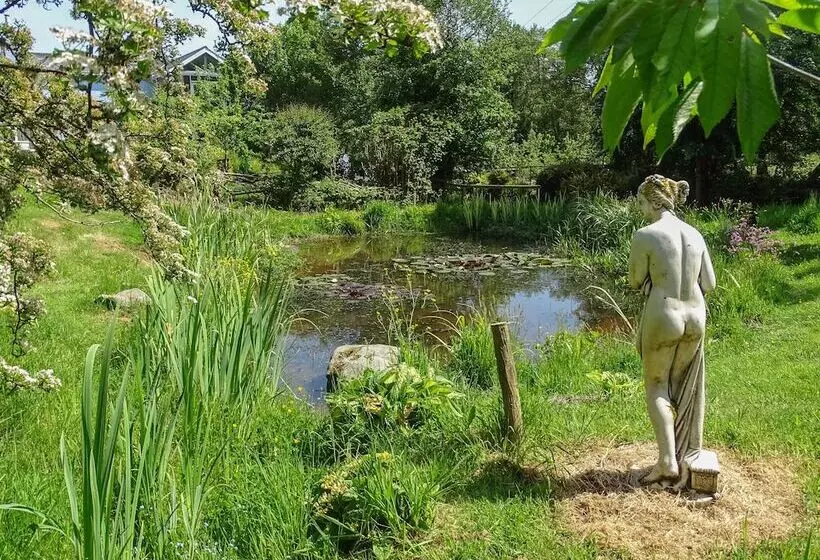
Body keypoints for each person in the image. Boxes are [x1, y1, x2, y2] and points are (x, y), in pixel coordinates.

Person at [628, 175, 717, 488]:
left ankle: (667, 462)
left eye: (640, 202)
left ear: (654, 201)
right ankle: (682, 456)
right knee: (681, 386)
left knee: (657, 386)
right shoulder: (695, 233)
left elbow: (635, 280)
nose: (639, 209)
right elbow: (710, 283)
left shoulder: (646, 234)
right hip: (695, 315)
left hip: (664, 313)